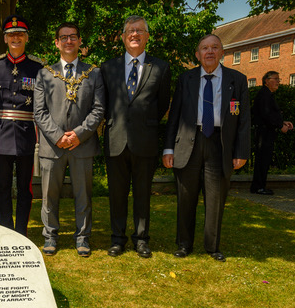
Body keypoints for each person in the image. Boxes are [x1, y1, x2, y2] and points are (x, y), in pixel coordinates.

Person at [163, 34, 250, 262]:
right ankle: (184, 244)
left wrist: (241, 152)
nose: (209, 51)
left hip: (220, 145)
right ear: (197, 54)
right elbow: (174, 116)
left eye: (214, 47)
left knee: (216, 199)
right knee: (185, 197)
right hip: (189, 142)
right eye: (204, 48)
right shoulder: (186, 79)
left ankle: (212, 246)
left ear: (222, 52)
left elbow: (244, 120)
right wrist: (168, 148)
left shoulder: (237, 80)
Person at [101, 15, 171, 258]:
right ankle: (117, 239)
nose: (135, 34)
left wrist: (145, 121)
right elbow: (104, 103)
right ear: (123, 37)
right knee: (117, 194)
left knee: (142, 194)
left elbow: (162, 104)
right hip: (116, 139)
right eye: (130, 30)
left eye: (140, 30)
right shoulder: (108, 68)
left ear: (147, 36)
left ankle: (141, 239)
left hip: (145, 140)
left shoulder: (160, 67)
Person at [34, 22, 105, 257]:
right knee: (49, 195)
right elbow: (39, 112)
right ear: (56, 43)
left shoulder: (93, 73)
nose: (68, 41)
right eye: (63, 37)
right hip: (52, 146)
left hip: (82, 145)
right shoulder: (44, 73)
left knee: (83, 195)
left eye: (73, 36)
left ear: (80, 41)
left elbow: (98, 109)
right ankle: (50, 236)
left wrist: (79, 135)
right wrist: (58, 137)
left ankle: (83, 237)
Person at [0, 15, 44, 236]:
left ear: (26, 38)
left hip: (26, 136)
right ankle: (6, 230)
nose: (16, 38)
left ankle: (21, 231)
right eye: (11, 35)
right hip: (0, 136)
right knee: (1, 188)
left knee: (25, 189)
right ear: (5, 38)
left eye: (20, 34)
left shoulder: (38, 68)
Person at [249, 71, 293, 195]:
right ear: (266, 81)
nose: (278, 81)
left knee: (264, 159)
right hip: (264, 133)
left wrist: (282, 122)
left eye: (279, 79)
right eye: (276, 79)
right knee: (263, 159)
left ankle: (258, 186)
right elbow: (266, 114)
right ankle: (259, 187)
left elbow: (270, 115)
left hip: (266, 131)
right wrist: (280, 126)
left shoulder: (267, 95)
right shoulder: (265, 95)